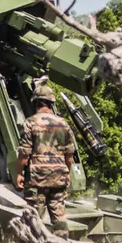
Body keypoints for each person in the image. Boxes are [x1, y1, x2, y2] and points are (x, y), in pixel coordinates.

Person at [16, 82, 78, 227]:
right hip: (58, 175)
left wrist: (18, 173)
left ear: (36, 102)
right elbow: (69, 155)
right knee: (59, 216)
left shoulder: (30, 123)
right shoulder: (64, 124)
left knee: (34, 218)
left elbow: (24, 154)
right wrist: (67, 173)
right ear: (51, 103)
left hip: (36, 177)